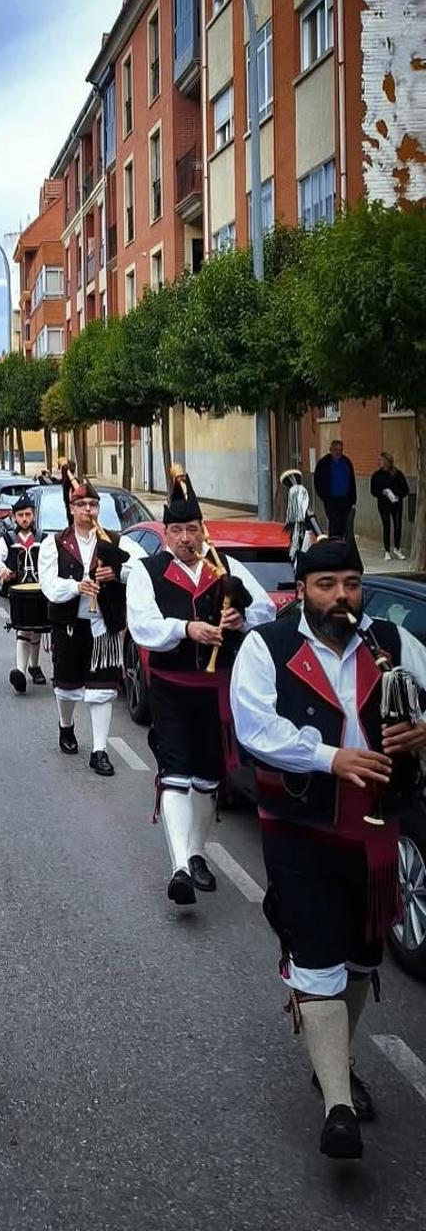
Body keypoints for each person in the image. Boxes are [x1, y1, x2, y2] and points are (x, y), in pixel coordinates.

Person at [230, 537, 426, 1161]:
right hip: (300, 824)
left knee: (365, 956)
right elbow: (255, 727)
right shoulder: (270, 645)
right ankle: (337, 1105)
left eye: (350, 583)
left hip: (374, 827)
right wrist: (328, 757)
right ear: (304, 588)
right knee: (316, 952)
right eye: (326, 585)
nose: (341, 597)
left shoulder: (389, 645)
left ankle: (331, 1061)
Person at [125, 471, 274, 905]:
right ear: (166, 532)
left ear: (201, 530)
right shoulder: (146, 572)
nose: (186, 538)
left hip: (217, 690)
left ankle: (195, 853)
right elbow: (144, 626)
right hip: (171, 688)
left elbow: (265, 610)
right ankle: (178, 869)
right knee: (175, 774)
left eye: (192, 530)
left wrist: (240, 620)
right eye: (177, 530)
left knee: (209, 780)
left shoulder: (224, 568)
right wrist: (188, 628)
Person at [38, 476, 132, 776]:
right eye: (82, 505)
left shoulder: (114, 541)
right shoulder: (55, 543)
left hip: (103, 625)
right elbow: (50, 586)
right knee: (67, 688)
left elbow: (138, 569)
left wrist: (115, 573)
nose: (89, 510)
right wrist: (78, 587)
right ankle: (66, 726)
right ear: (71, 508)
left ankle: (99, 751)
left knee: (103, 688)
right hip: (69, 624)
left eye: (93, 505)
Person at [0, 493, 48, 690]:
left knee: (38, 629)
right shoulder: (7, 539)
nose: (24, 519)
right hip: (19, 593)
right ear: (13, 517)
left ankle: (34, 666)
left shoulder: (43, 539)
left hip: (40, 592)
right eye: (20, 515)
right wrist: (1, 570)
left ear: (34, 515)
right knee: (23, 628)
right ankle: (20, 670)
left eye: (28, 514)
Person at [313, 439, 357, 541]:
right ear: (331, 450)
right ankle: (333, 545)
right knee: (334, 523)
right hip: (331, 500)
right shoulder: (324, 463)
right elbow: (317, 481)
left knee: (344, 526)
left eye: (340, 450)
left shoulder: (346, 462)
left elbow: (352, 481)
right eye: (336, 449)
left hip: (345, 501)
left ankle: (342, 546)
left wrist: (353, 500)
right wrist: (325, 497)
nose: (338, 452)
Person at [370, 452, 409, 561]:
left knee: (397, 525)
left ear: (387, 461)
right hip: (383, 505)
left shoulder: (397, 473)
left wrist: (396, 493)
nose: (378, 462)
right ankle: (387, 550)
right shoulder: (376, 475)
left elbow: (406, 490)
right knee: (386, 526)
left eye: (381, 460)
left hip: (396, 504)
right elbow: (373, 491)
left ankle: (397, 548)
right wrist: (383, 492)